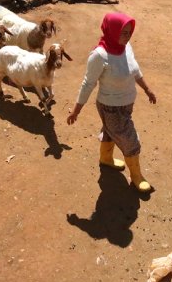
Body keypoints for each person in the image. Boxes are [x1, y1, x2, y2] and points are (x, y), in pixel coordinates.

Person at [67, 12, 156, 192]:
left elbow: (135, 70)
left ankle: (106, 159)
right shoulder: (99, 56)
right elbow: (88, 84)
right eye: (123, 32)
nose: (128, 36)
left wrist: (147, 89)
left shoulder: (126, 47)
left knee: (111, 131)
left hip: (126, 105)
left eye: (130, 32)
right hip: (110, 107)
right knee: (130, 140)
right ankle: (137, 176)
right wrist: (76, 110)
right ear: (112, 31)